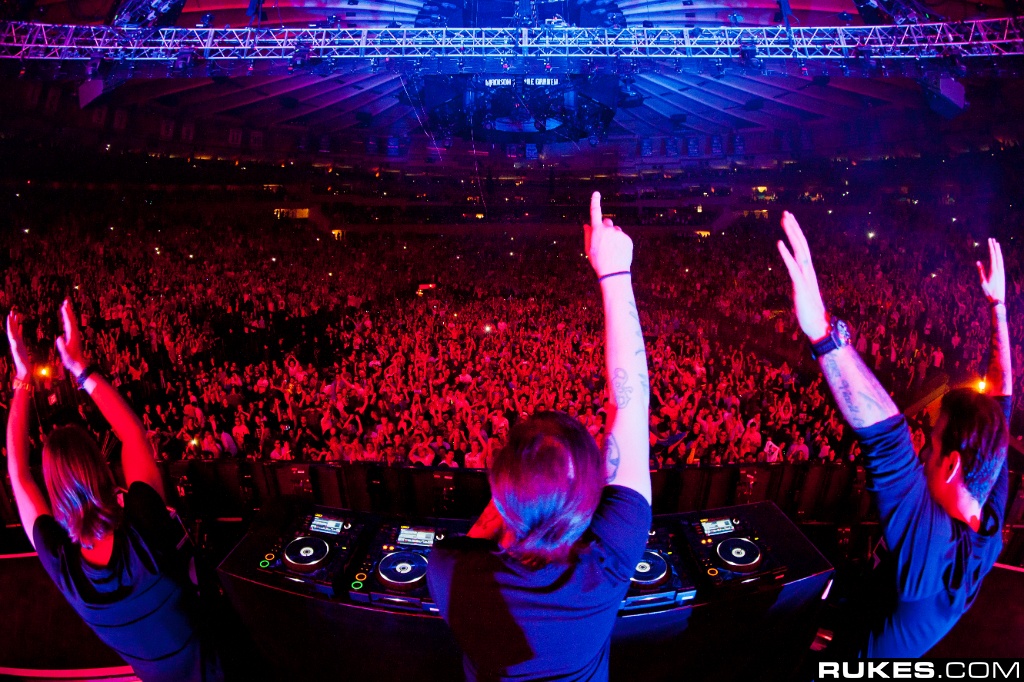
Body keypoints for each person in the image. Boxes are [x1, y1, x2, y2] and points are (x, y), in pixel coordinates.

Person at [426, 192, 653, 680]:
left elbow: (492, 527)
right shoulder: (610, 559)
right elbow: (630, 404)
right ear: (589, 496)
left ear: (501, 488)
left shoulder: (447, 571)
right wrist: (614, 274)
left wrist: (516, 481)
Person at [777, 215, 1011, 657]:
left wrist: (824, 335)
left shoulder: (933, 548)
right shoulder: (989, 522)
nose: (924, 449)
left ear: (952, 464)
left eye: (933, 442)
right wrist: (997, 307)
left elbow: (889, 439)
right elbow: (1001, 404)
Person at [5, 300, 220, 681]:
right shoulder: (144, 531)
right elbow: (133, 434)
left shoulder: (66, 570)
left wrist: (21, 378)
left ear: (54, 490)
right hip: (220, 664)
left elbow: (18, 473)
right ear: (102, 467)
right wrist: (79, 367)